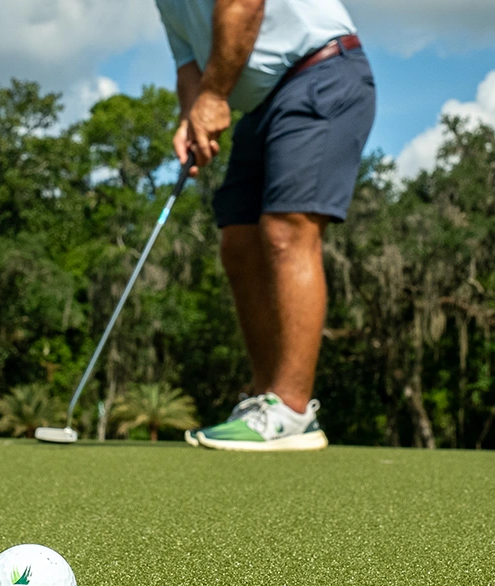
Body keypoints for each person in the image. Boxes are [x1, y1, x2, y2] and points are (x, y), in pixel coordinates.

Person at [156, 0, 375, 452]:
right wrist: (189, 117)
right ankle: (262, 400)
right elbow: (189, 65)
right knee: (238, 241)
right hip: (263, 103)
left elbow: (244, 4)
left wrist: (214, 98)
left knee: (285, 231)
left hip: (322, 70)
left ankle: (291, 409)